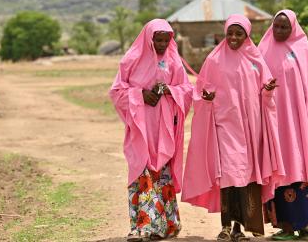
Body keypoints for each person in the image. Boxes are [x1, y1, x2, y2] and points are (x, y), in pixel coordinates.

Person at [182, 14, 285, 242]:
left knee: (245, 179)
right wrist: (206, 98)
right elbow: (200, 91)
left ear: (247, 35)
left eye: (239, 34)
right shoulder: (214, 60)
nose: (234, 38)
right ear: (224, 34)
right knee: (229, 176)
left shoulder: (255, 60)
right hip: (224, 125)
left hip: (250, 129)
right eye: (230, 33)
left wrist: (267, 90)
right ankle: (225, 227)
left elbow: (267, 94)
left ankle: (239, 228)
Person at [109, 19, 193, 241]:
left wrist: (168, 91)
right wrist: (139, 94)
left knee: (162, 173)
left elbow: (186, 90)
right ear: (149, 38)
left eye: (166, 40)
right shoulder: (131, 60)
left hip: (163, 129)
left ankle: (165, 225)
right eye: (158, 40)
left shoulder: (173, 62)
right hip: (141, 128)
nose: (163, 44)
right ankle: (143, 227)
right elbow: (117, 91)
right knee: (142, 171)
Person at [258, 10, 308, 241]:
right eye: (276, 27)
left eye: (284, 27)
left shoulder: (302, 50)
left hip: (299, 126)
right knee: (279, 171)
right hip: (274, 126)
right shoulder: (262, 51)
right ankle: (285, 227)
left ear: (293, 28)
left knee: (300, 171)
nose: (280, 31)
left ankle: (305, 225)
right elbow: (256, 88)